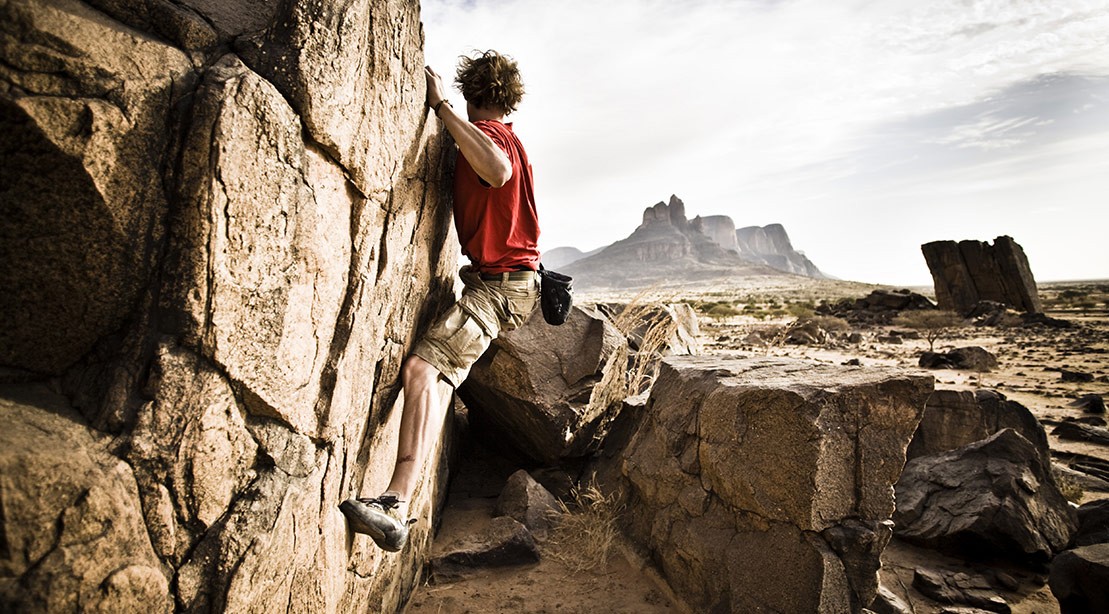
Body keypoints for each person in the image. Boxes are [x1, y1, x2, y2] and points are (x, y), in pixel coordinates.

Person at [339, 50, 540, 552]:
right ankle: (398, 503)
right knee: (433, 376)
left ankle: (396, 507)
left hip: (500, 288)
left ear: (472, 94)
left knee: (423, 371)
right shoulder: (509, 137)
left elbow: (495, 172)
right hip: (498, 283)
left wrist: (441, 108)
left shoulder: (494, 140)